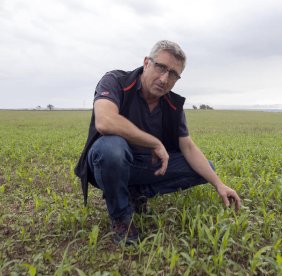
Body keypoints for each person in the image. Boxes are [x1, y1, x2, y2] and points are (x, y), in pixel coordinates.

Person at [74, 40, 241, 244]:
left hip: (144, 165)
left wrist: (219, 184)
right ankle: (121, 217)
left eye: (173, 74)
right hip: (108, 163)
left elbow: (187, 146)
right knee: (112, 148)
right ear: (146, 62)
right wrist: (154, 142)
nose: (164, 79)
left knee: (207, 169)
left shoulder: (171, 104)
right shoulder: (115, 81)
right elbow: (105, 121)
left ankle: (137, 192)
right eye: (161, 67)